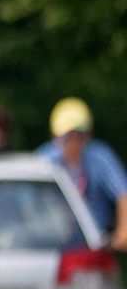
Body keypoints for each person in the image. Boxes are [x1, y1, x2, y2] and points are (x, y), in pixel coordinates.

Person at [36, 97, 127, 251]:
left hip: (95, 244)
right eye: (67, 137)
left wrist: (124, 231)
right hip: (52, 243)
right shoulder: (44, 159)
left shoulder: (99, 157)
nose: (73, 142)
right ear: (55, 136)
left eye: (79, 136)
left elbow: (123, 193)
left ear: (88, 135)